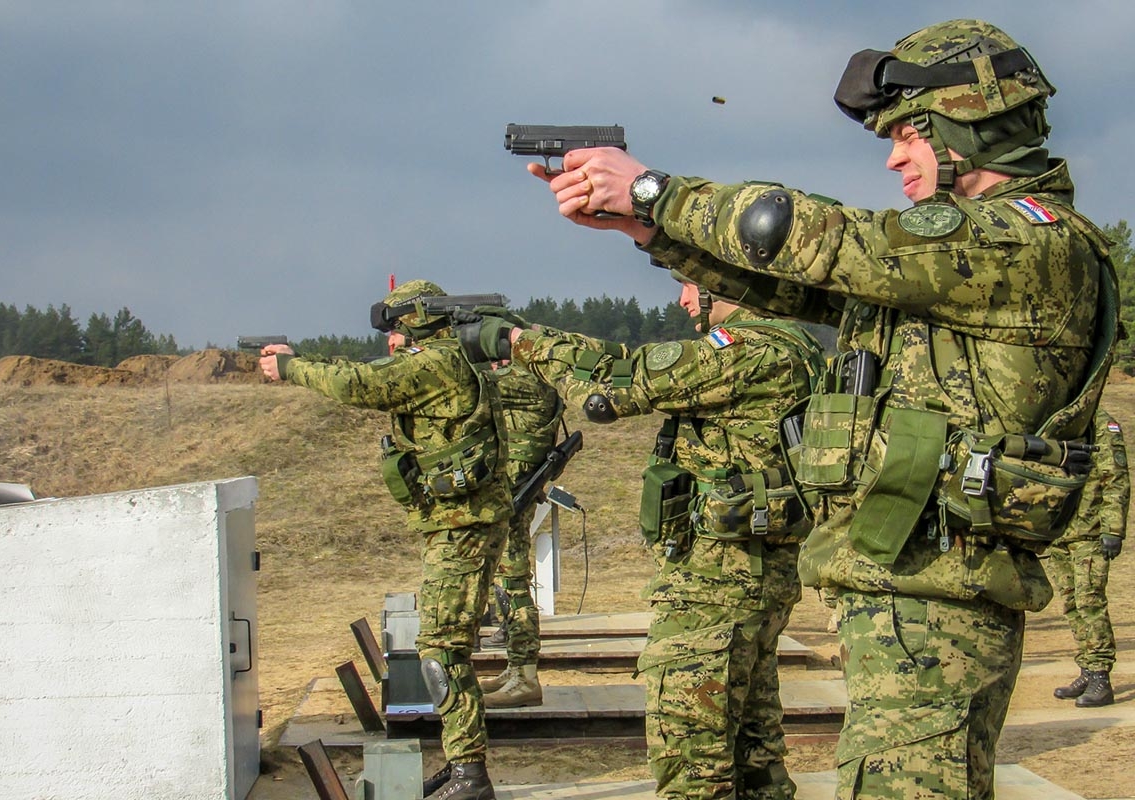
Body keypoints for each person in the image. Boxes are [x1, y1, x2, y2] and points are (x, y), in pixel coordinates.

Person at [518, 19, 1118, 800]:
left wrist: (653, 189)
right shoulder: (985, 253)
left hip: (937, 604)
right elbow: (808, 288)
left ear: (968, 124)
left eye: (909, 135)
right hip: (913, 594)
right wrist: (644, 228)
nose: (897, 157)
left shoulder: (1028, 242)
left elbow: (814, 239)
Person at [467, 273, 822, 799]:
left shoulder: (746, 350)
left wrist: (519, 343)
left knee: (692, 760)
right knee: (755, 757)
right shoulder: (791, 345)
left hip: (717, 584)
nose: (682, 299)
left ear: (729, 285)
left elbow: (618, 381)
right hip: (752, 574)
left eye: (692, 284)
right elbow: (626, 360)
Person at [259, 279, 510, 800]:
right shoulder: (452, 359)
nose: (393, 339)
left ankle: (470, 774)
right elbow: (368, 373)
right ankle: (465, 762)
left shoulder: (435, 364)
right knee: (449, 646)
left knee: (442, 650)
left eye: (398, 327)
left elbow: (358, 385)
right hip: (466, 520)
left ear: (417, 321)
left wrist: (290, 368)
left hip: (459, 525)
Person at [477, 358, 564, 709]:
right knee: (509, 584)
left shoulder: (529, 381)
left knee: (514, 586)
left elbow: (473, 383)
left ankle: (525, 676)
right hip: (512, 491)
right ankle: (517, 669)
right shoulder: (531, 379)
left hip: (513, 497)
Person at [1045, 407, 1128, 707]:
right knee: (1071, 604)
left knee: (1089, 601)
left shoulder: (1101, 424)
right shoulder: (1056, 421)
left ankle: (1100, 677)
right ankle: (1087, 668)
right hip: (1060, 534)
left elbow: (1116, 479)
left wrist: (1113, 530)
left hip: (1090, 533)